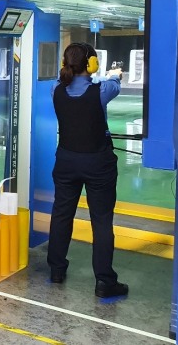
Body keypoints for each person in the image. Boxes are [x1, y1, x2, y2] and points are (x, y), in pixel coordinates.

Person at [48, 42, 127, 299]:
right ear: (91, 64)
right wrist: (113, 74)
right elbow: (113, 83)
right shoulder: (103, 90)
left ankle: (56, 269)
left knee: (61, 215)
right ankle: (104, 280)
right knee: (102, 221)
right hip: (98, 163)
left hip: (66, 160)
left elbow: (78, 84)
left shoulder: (55, 89)